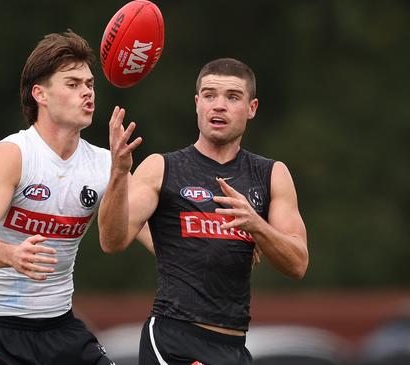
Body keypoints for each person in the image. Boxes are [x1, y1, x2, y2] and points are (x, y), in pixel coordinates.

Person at [99, 57, 309, 364]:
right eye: (210, 95)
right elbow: (112, 241)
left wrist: (257, 226)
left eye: (232, 97)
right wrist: (119, 174)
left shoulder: (271, 174)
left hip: (234, 346)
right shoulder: (162, 168)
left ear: (251, 108)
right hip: (174, 340)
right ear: (198, 104)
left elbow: (298, 263)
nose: (219, 105)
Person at [0, 30, 115, 365]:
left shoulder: (105, 163)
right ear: (40, 94)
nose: (86, 92)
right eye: (72, 84)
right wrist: (11, 254)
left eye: (90, 84)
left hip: (59, 327)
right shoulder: (15, 154)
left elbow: (127, 235)